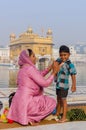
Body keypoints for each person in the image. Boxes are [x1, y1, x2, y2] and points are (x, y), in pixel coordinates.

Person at [7, 49, 59, 126]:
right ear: (27, 58)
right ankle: (30, 117)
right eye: (33, 56)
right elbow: (45, 83)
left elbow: (38, 76)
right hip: (28, 104)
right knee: (52, 102)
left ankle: (25, 116)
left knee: (42, 99)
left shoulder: (22, 69)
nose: (36, 58)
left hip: (18, 104)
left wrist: (49, 69)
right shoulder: (30, 69)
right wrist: (54, 73)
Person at [55, 45, 77, 123]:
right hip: (58, 85)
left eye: (65, 55)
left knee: (63, 100)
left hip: (64, 86)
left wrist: (74, 85)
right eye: (61, 55)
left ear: (69, 55)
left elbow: (73, 75)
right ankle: (57, 114)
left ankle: (64, 117)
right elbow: (55, 64)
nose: (63, 57)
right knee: (58, 99)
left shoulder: (70, 64)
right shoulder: (59, 61)